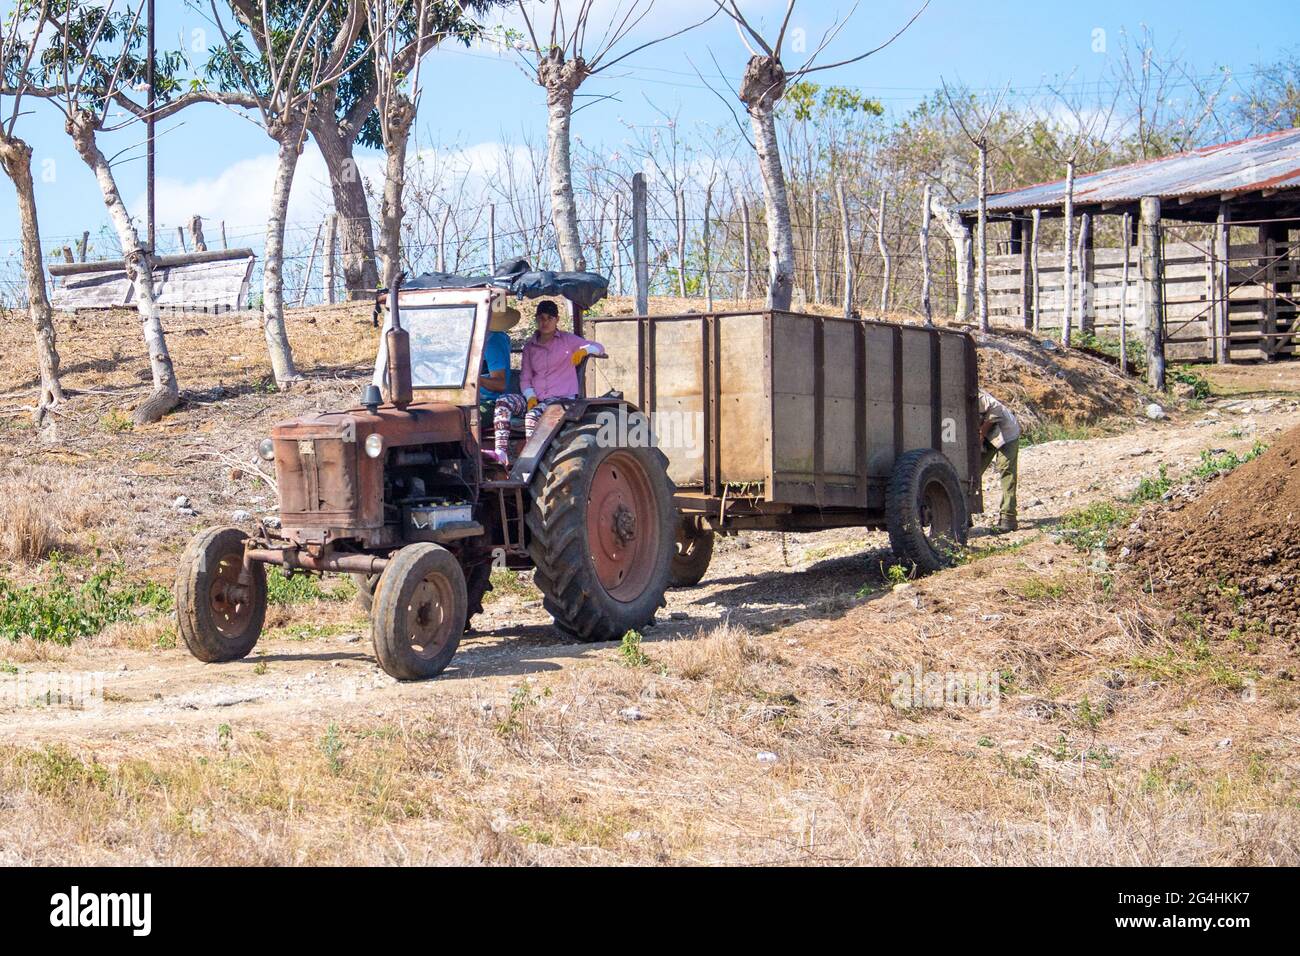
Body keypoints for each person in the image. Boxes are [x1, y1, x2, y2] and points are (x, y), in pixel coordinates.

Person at [484, 299, 605, 466]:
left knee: (532, 416)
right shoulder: (529, 347)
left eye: (549, 318)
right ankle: (501, 452)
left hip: (561, 399)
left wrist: (584, 350)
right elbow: (525, 378)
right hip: (537, 398)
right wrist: (530, 396)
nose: (545, 322)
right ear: (536, 320)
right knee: (504, 401)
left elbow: (599, 347)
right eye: (541, 318)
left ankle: (530, 462)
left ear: (557, 320)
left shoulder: (567, 340)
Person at [978, 389, 1020, 533]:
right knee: (973, 471)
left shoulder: (976, 395)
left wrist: (981, 433)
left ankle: (1008, 518)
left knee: (1007, 471)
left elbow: (996, 408)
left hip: (1007, 434)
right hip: (990, 436)